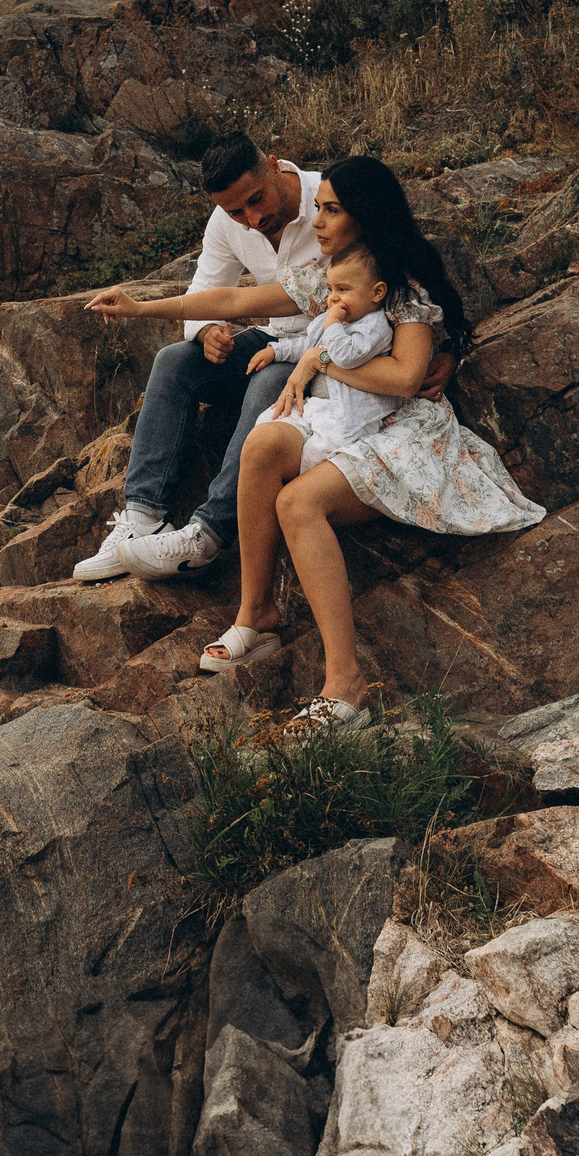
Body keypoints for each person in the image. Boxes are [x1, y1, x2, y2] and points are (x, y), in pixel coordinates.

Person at [208, 156, 547, 733]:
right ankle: (256, 613)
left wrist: (323, 361)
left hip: (402, 426)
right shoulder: (333, 271)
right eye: (319, 206)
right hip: (346, 417)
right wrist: (143, 308)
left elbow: (404, 379)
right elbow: (237, 303)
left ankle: (345, 683)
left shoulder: (399, 282)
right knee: (261, 446)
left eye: (331, 209)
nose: (316, 220)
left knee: (297, 503)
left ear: (367, 214)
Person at [69, 133, 321, 581]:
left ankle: (206, 534)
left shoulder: (329, 200)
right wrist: (206, 331)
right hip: (271, 336)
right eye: (236, 211)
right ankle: (143, 518)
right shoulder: (228, 222)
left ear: (274, 164)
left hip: (323, 351)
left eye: (256, 200)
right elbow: (204, 293)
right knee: (173, 361)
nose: (254, 218)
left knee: (267, 385)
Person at [252, 248, 405, 474]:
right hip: (320, 404)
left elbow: (346, 356)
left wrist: (332, 323)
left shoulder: (374, 326)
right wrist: (277, 351)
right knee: (267, 421)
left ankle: (297, 482)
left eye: (343, 289)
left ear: (377, 292)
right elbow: (310, 345)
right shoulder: (334, 320)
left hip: (350, 413)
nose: (333, 297)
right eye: (330, 289)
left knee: (316, 452)